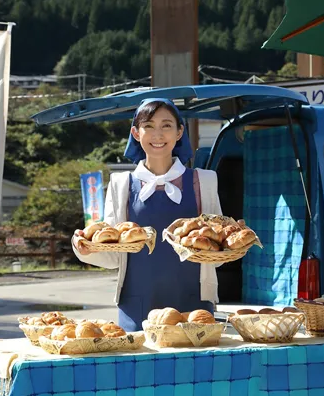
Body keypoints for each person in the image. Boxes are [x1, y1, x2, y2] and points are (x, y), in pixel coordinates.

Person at [72, 98, 222, 332]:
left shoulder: (204, 181)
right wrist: (87, 250)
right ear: (136, 132)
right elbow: (114, 254)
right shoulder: (121, 184)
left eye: (166, 126)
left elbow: (218, 245)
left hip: (194, 304)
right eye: (149, 126)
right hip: (136, 305)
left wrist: (226, 250)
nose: (158, 134)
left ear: (180, 131)